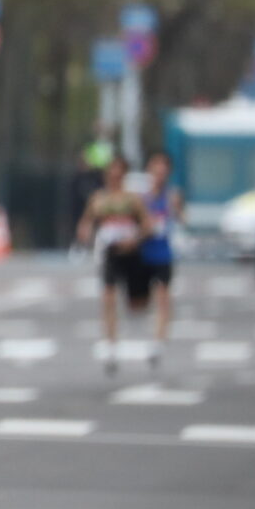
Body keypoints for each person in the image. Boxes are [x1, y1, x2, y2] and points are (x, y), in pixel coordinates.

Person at [80, 154, 154, 375]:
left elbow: (147, 225)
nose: (115, 174)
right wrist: (85, 233)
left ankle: (140, 333)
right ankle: (111, 345)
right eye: (112, 170)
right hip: (110, 253)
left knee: (137, 303)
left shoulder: (133, 200)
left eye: (119, 170)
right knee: (109, 297)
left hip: (131, 253)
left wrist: (135, 240)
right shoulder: (98, 199)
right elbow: (87, 221)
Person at [135, 149, 178, 359]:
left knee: (163, 295)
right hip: (143, 252)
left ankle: (158, 340)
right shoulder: (141, 198)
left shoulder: (172, 196)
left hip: (163, 253)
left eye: (164, 170)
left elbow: (179, 218)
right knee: (139, 302)